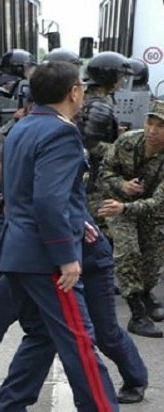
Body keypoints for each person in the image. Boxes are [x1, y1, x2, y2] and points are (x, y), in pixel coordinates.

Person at [0, 60, 155, 412]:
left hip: (19, 249)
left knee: (43, 334)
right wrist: (66, 255)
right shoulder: (60, 134)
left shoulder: (23, 126)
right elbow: (47, 199)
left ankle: (10, 410)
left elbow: (26, 194)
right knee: (80, 341)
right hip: (46, 255)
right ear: (74, 92)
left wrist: (75, 221)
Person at [0, 133, 149, 406]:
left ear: (5, 162)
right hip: (37, 265)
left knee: (104, 332)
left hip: (85, 263)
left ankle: (136, 378)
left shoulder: (22, 190)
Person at [97, 100, 164, 338]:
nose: (153, 130)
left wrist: (126, 207)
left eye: (161, 125)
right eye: (150, 122)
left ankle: (145, 293)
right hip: (114, 205)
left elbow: (158, 202)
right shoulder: (127, 141)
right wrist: (122, 185)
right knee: (128, 250)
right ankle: (137, 314)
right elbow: (103, 174)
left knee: (152, 262)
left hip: (149, 212)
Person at [78, 51, 133, 220]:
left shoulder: (86, 98)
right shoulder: (100, 106)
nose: (122, 80)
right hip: (94, 175)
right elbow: (90, 145)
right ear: (109, 77)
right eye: (120, 76)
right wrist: (120, 149)